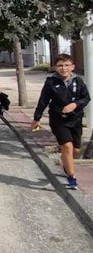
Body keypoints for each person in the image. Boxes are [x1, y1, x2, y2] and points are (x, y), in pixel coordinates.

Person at [31, 54, 90, 190]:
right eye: (60, 65)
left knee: (75, 149)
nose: (64, 68)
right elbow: (43, 101)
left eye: (67, 65)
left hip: (75, 120)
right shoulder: (51, 82)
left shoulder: (78, 81)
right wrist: (36, 118)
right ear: (56, 67)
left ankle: (66, 162)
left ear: (72, 67)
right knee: (67, 147)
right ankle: (71, 178)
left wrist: (74, 104)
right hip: (58, 120)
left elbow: (86, 98)